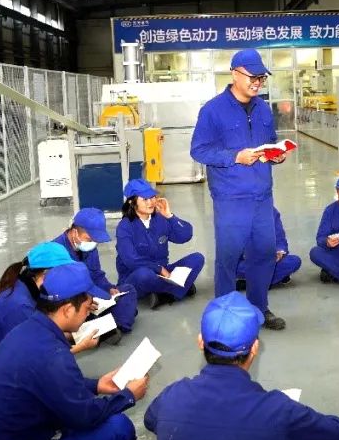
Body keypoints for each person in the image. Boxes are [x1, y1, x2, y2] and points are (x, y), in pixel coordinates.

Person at [0, 264, 148, 440]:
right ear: (68, 310)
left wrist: (96, 385)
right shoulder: (53, 355)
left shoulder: (26, 330)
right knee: (119, 429)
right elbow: (85, 415)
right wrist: (128, 396)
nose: (88, 313)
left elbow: (49, 383)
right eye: (87, 307)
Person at [144, 292, 339, 440]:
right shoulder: (278, 411)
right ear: (255, 348)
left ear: (200, 341)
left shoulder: (172, 395)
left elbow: (150, 420)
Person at [190, 48, 287, 330]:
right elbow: (199, 150)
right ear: (234, 74)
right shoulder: (213, 110)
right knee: (228, 258)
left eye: (261, 78)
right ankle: (225, 313)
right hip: (231, 198)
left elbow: (270, 140)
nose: (257, 83)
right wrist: (235, 156)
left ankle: (259, 308)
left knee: (264, 254)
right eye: (252, 77)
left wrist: (276, 154)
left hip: (262, 196)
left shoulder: (263, 109)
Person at [0, 242, 97, 405]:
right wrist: (80, 346)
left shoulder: (22, 288)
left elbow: (45, 329)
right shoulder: (19, 306)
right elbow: (37, 357)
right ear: (45, 275)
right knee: (65, 398)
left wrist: (79, 309)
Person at [115, 179, 205, 310]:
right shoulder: (124, 227)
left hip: (164, 275)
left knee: (197, 258)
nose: (151, 202)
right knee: (144, 275)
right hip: (135, 275)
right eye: (145, 199)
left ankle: (163, 295)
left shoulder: (160, 219)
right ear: (131, 202)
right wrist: (159, 269)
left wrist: (169, 216)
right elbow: (131, 260)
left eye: (152, 197)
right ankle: (179, 290)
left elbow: (185, 236)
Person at [52, 207, 138, 334]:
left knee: (128, 290)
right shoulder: (56, 252)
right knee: (75, 311)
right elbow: (57, 292)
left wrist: (108, 288)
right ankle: (107, 327)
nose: (93, 243)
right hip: (71, 300)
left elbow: (96, 274)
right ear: (74, 232)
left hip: (92, 294)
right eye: (89, 239)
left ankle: (108, 326)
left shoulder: (90, 247)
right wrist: (84, 301)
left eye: (96, 240)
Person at [237, 207, 302, 290]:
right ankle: (271, 279)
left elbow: (280, 240)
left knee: (294, 261)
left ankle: (253, 282)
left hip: (268, 261)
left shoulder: (272, 212)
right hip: (246, 261)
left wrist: (279, 252)